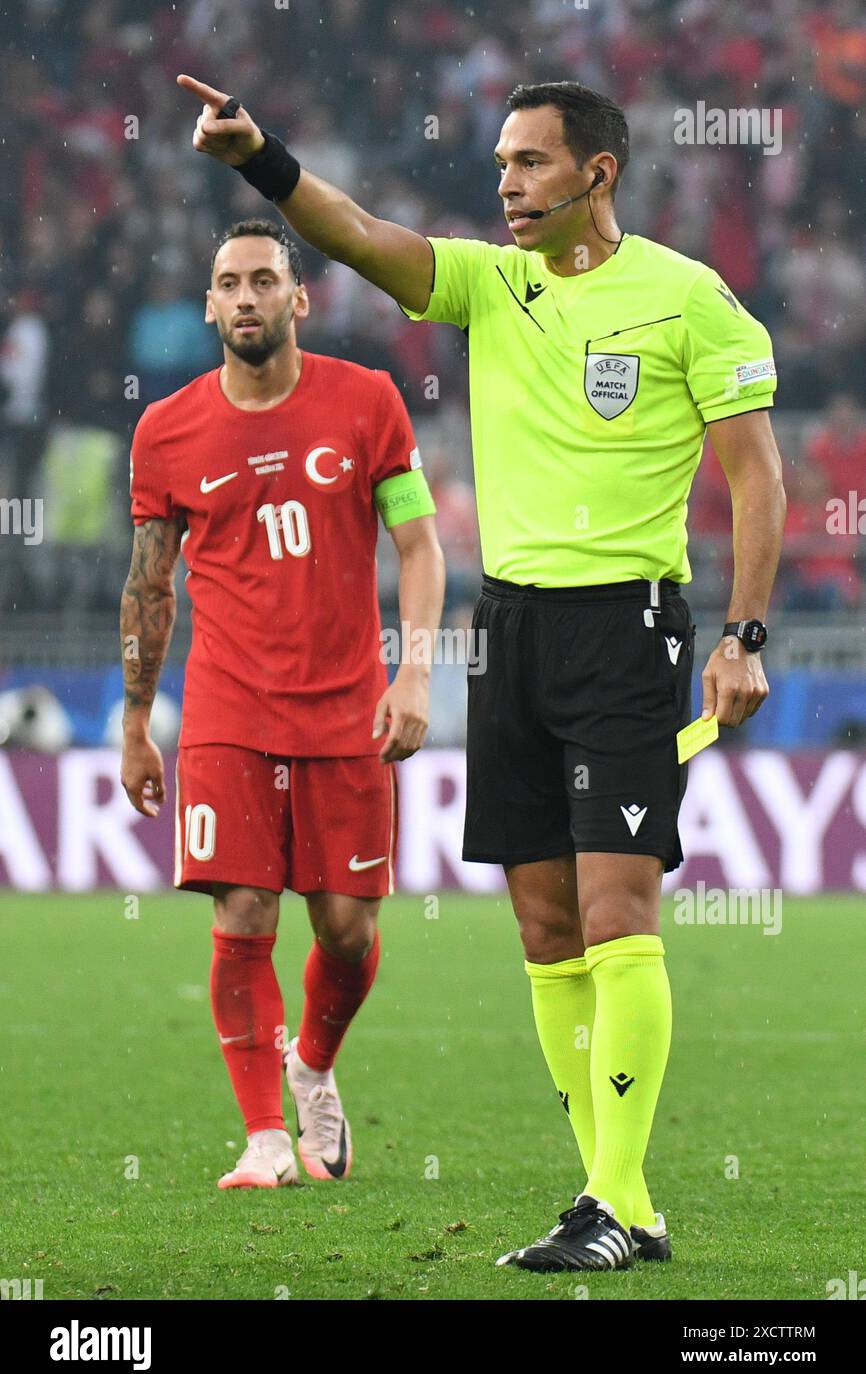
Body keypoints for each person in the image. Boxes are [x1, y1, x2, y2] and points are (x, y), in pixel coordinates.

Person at [177, 74, 785, 1269]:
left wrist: (741, 632)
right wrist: (263, 159)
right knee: (545, 927)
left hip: (628, 626)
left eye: (529, 163)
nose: (504, 184)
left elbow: (755, 476)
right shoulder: (487, 283)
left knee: (617, 912)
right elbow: (354, 235)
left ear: (594, 173)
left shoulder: (687, 299)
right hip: (508, 632)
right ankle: (621, 1200)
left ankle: (613, 1201)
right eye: (501, 163)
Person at [120, 218, 444, 1189]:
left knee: (345, 927)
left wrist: (416, 667)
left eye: (266, 279)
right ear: (210, 305)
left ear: (300, 299)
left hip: (347, 702)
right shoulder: (167, 429)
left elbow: (419, 546)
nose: (248, 296)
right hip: (225, 703)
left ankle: (312, 1064)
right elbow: (150, 587)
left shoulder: (368, 402)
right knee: (244, 911)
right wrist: (136, 719)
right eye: (230, 283)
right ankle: (264, 1135)